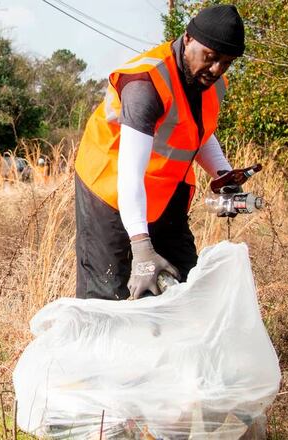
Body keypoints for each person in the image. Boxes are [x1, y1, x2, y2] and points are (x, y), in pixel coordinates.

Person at [74, 5, 246, 300]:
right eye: (211, 57)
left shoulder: (210, 82)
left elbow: (198, 132)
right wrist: (141, 248)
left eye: (226, 63)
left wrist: (223, 173)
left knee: (185, 282)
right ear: (188, 39)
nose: (217, 70)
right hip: (110, 187)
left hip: (165, 189)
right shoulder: (145, 85)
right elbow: (129, 175)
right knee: (106, 292)